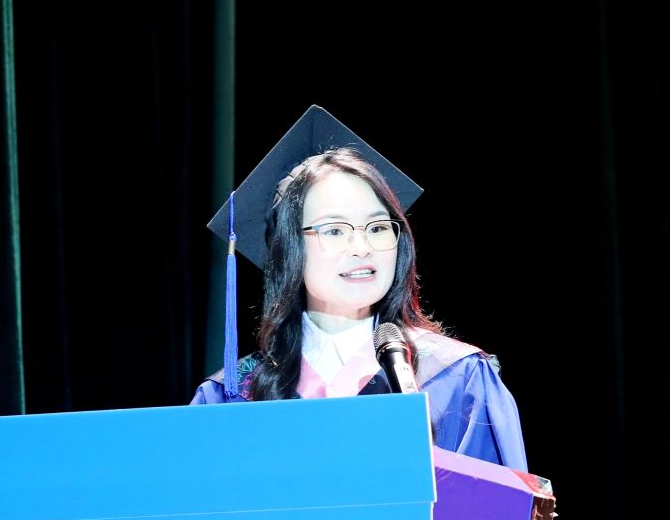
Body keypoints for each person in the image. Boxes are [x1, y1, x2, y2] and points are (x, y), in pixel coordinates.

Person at [191, 107, 527, 472]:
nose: (362, 247)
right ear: (288, 250)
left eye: (378, 227)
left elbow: (495, 506)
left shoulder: (456, 379)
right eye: (335, 230)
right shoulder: (232, 396)